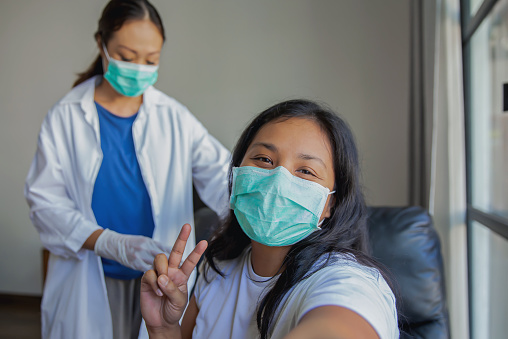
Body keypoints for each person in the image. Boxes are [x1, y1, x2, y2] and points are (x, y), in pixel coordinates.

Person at [24, 1, 230, 338]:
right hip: (90, 277)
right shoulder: (65, 117)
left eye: (150, 61)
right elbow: (45, 204)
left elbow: (223, 178)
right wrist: (109, 243)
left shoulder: (174, 117)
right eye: (127, 56)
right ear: (101, 44)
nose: (138, 69)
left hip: (159, 275)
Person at [140, 99, 399, 339]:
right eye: (264, 159)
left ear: (330, 203)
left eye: (306, 171)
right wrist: (164, 329)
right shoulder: (216, 268)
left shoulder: (349, 281)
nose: (277, 181)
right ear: (236, 172)